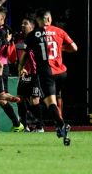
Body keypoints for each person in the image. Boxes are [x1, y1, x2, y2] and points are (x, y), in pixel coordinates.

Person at [18, 9, 77, 146]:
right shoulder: (59, 31)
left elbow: (25, 55)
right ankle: (58, 125)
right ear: (49, 19)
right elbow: (74, 48)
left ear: (38, 21)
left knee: (50, 103)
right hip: (62, 73)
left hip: (46, 73)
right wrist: (60, 48)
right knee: (57, 98)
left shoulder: (33, 35)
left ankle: (61, 125)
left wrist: (20, 67)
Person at [15, 15, 44, 132]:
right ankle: (24, 126)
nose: (22, 25)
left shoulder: (37, 38)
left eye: (25, 23)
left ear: (32, 26)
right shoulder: (19, 38)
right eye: (22, 23)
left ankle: (40, 127)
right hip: (23, 73)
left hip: (35, 74)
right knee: (20, 99)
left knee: (34, 101)